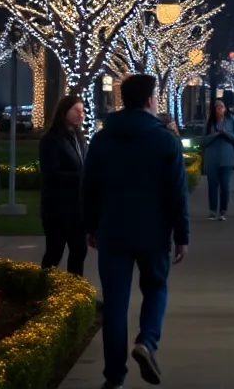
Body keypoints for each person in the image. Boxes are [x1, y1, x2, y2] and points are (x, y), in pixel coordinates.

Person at [82, 74, 189, 388]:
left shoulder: (102, 139)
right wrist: (181, 235)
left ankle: (114, 376)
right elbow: (177, 192)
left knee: (115, 304)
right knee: (155, 288)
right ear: (149, 100)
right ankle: (147, 340)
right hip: (153, 231)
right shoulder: (165, 140)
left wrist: (91, 225)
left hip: (112, 230)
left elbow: (89, 187)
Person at [39, 95, 88, 274]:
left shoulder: (79, 137)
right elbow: (51, 173)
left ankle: (74, 287)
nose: (81, 114)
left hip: (77, 208)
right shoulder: (51, 140)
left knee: (79, 251)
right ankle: (44, 284)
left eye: (82, 111)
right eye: (76, 110)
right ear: (64, 111)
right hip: (57, 208)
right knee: (55, 251)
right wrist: (82, 177)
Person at [203, 100, 234, 220]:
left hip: (227, 158)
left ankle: (223, 211)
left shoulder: (231, 119)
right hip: (212, 159)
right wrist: (215, 135)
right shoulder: (210, 122)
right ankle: (212, 210)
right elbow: (203, 141)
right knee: (212, 185)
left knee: (225, 184)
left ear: (225, 108)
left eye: (222, 106)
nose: (219, 109)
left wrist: (226, 133)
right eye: (217, 107)